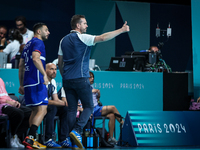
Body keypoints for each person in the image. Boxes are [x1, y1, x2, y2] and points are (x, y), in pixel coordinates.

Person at [58, 14, 129, 148]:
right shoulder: (83, 37)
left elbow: (60, 62)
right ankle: (77, 130)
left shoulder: (63, 40)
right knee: (89, 107)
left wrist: (65, 76)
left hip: (67, 80)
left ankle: (71, 139)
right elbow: (102, 37)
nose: (87, 26)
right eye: (85, 23)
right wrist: (121, 30)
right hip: (81, 78)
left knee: (72, 109)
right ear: (78, 26)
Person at [18, 22, 50, 149]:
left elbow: (20, 65)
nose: (48, 32)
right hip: (37, 81)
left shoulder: (26, 45)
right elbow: (36, 59)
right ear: (38, 32)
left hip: (27, 82)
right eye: (46, 30)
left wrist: (21, 84)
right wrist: (45, 75)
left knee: (35, 110)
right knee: (43, 109)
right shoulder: (38, 42)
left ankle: (31, 141)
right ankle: (30, 138)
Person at [89, 71, 124, 145]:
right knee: (113, 107)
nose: (92, 79)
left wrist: (98, 96)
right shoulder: (84, 87)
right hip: (92, 110)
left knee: (112, 115)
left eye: (93, 77)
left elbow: (97, 101)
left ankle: (110, 138)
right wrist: (91, 91)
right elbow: (84, 94)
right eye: (90, 77)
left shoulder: (91, 87)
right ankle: (123, 123)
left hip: (97, 108)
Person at [44, 63, 71, 148]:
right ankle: (47, 139)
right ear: (45, 70)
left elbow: (55, 99)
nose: (54, 71)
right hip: (41, 106)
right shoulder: (42, 81)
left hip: (49, 105)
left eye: (55, 69)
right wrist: (63, 103)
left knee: (65, 109)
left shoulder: (53, 81)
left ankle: (63, 139)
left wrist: (65, 104)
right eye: (51, 69)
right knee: (52, 107)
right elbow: (45, 101)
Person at [0, 78, 32, 148]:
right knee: (18, 113)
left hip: (8, 103)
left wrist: (13, 101)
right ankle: (11, 136)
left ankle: (16, 136)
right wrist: (8, 102)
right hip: (1, 106)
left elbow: (5, 96)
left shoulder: (1, 80)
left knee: (30, 113)